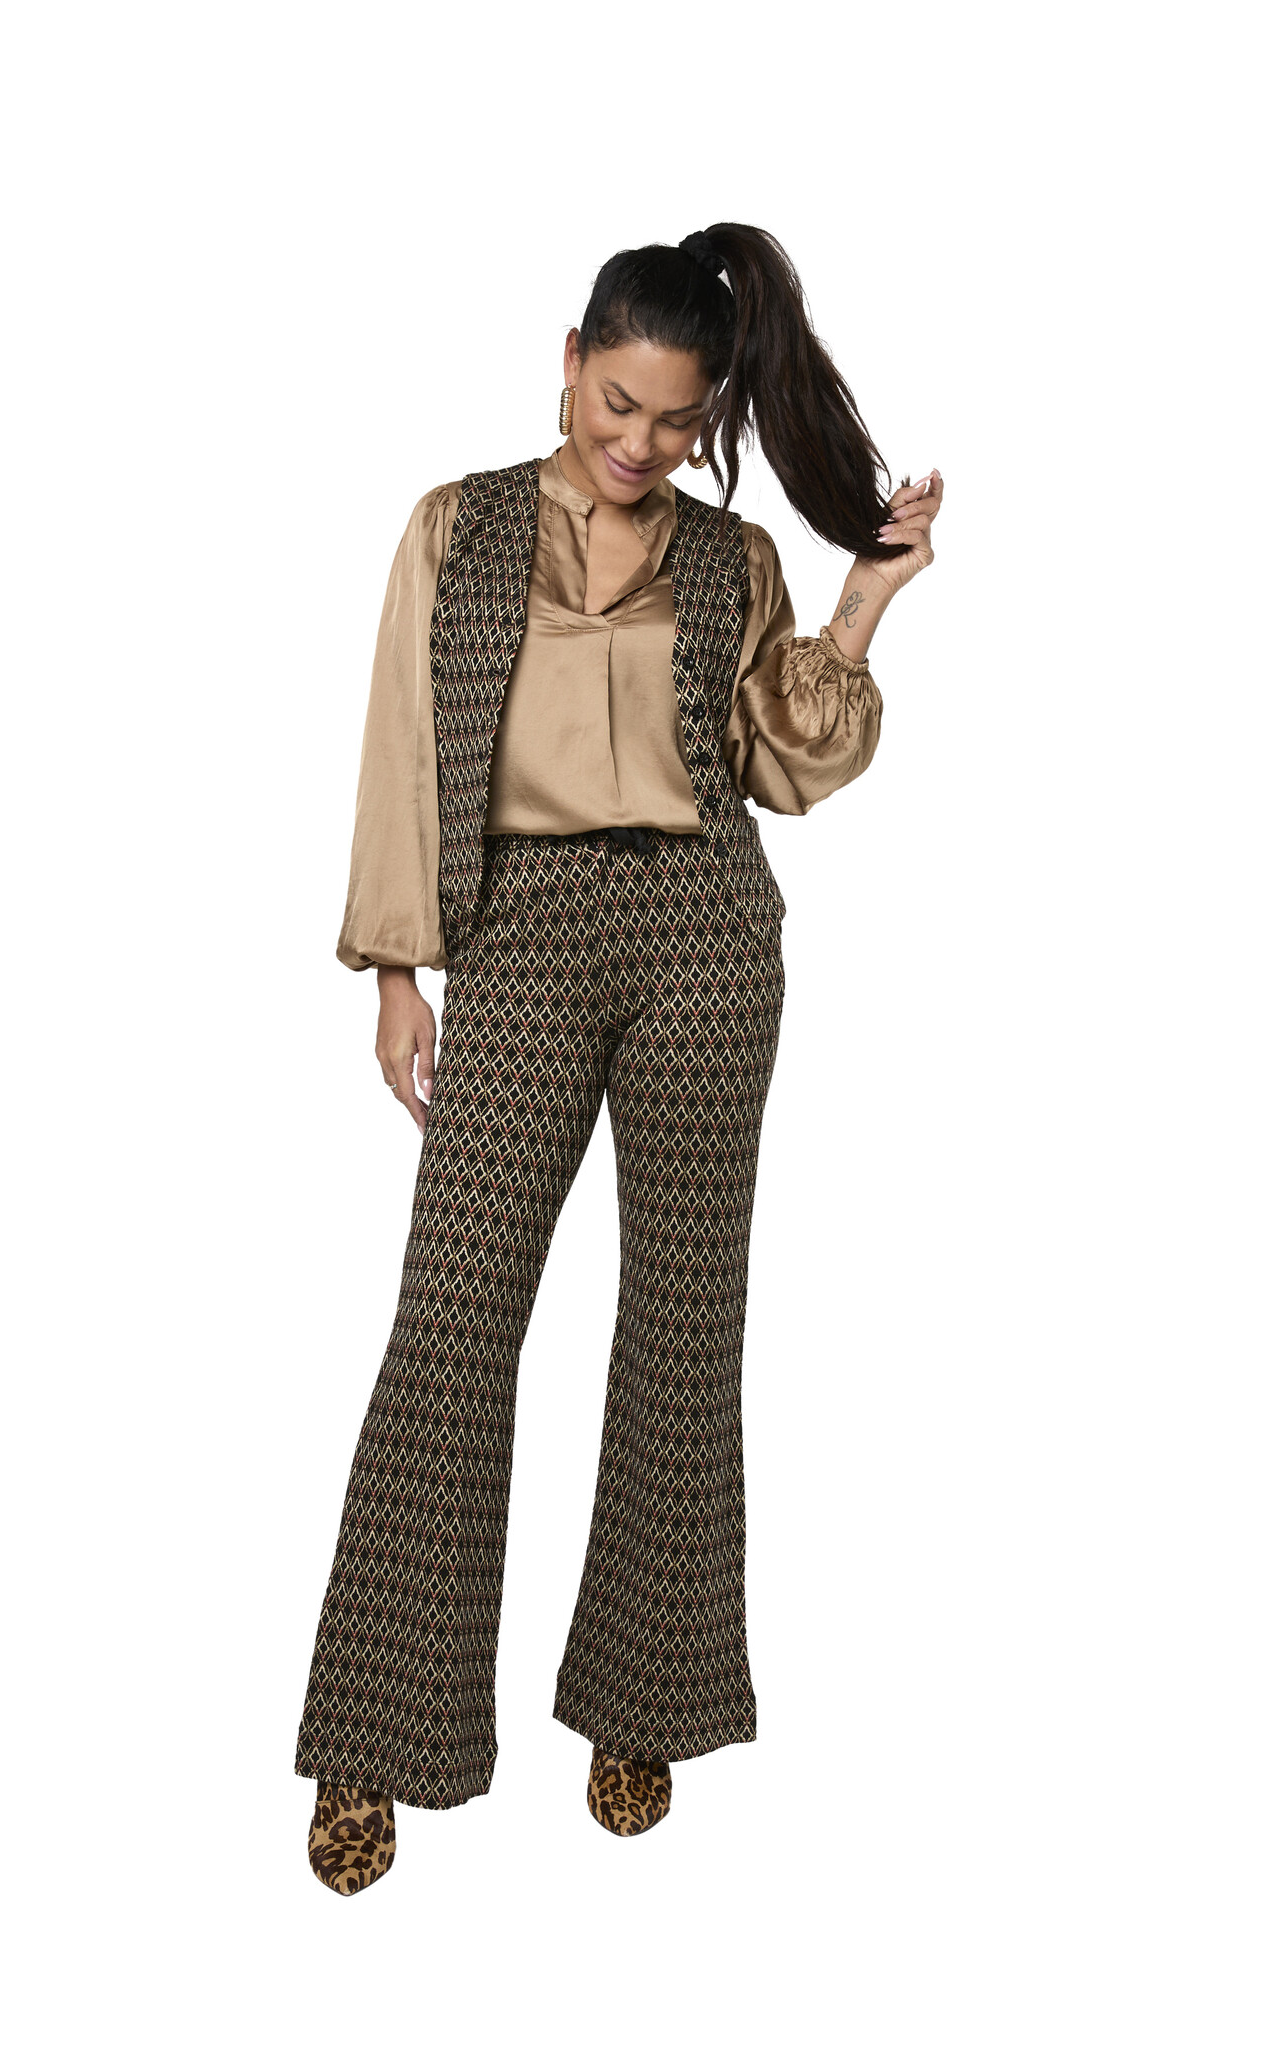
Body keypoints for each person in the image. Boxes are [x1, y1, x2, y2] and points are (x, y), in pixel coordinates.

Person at [296, 223, 943, 1894]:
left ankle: (643, 1701)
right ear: (569, 360)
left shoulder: (731, 560)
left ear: (708, 411)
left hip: (702, 936)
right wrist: (396, 971)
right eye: (615, 405)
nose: (639, 443)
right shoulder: (456, 527)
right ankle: (377, 1740)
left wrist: (861, 603)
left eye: (674, 420)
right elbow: (399, 747)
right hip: (517, 931)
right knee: (452, 1322)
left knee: (680, 1327)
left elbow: (783, 767)